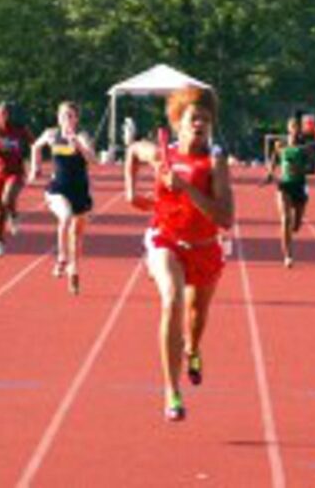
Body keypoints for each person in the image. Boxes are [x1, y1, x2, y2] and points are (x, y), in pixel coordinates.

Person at [125, 87, 234, 421]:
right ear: (178, 123)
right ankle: (172, 391)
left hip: (204, 247)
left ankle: (193, 349)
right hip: (166, 239)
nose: (199, 124)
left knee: (196, 315)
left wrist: (185, 187)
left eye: (205, 119)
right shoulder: (162, 154)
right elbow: (132, 150)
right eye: (193, 118)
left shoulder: (214, 162)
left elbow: (225, 217)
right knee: (171, 299)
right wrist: (131, 194)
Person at [28, 101, 99, 294]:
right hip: (57, 188)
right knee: (65, 216)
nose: (66, 119)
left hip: (80, 191)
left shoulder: (82, 136)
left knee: (77, 235)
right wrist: (36, 168)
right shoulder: (51, 135)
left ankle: (74, 270)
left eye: (70, 115)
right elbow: (35, 147)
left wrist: (79, 147)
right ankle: (61, 258)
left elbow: (93, 160)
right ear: (58, 117)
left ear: (76, 119)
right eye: (63, 115)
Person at [0, 101, 35, 257]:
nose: (5, 116)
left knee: (8, 199)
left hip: (16, 172)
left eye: (8, 113)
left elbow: (35, 145)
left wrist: (34, 165)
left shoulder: (21, 130)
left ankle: (14, 215)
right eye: (2, 113)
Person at [262, 118, 309, 268]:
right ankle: (288, 256)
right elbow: (274, 158)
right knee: (286, 219)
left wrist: (301, 168)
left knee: (296, 226)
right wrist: (270, 172)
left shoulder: (304, 148)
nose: (295, 130)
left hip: (299, 186)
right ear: (289, 129)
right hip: (284, 185)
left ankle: (293, 228)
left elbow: (313, 168)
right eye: (292, 127)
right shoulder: (281, 146)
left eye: (297, 127)